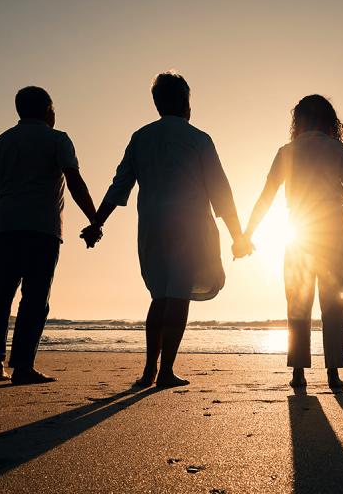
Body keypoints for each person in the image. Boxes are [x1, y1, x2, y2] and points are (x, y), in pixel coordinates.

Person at [82, 72, 251, 389]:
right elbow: (220, 192)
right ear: (187, 102)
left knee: (159, 296)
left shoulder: (141, 137)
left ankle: (148, 370)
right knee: (178, 296)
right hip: (190, 227)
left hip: (152, 226)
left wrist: (97, 223)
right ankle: (166, 371)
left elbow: (119, 187)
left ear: (157, 103)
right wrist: (237, 236)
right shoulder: (199, 138)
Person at [242, 95, 343, 389]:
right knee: (334, 301)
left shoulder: (286, 152)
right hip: (332, 229)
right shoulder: (337, 148)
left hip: (297, 229)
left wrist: (248, 234)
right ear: (328, 120)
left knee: (298, 300)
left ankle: (298, 370)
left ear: (298, 121)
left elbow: (266, 197)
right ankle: (333, 372)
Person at [0, 86, 99, 385]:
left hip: (7, 229)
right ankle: (22, 367)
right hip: (43, 229)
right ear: (49, 110)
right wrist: (94, 218)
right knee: (34, 299)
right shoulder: (58, 139)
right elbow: (74, 180)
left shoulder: (1, 142)